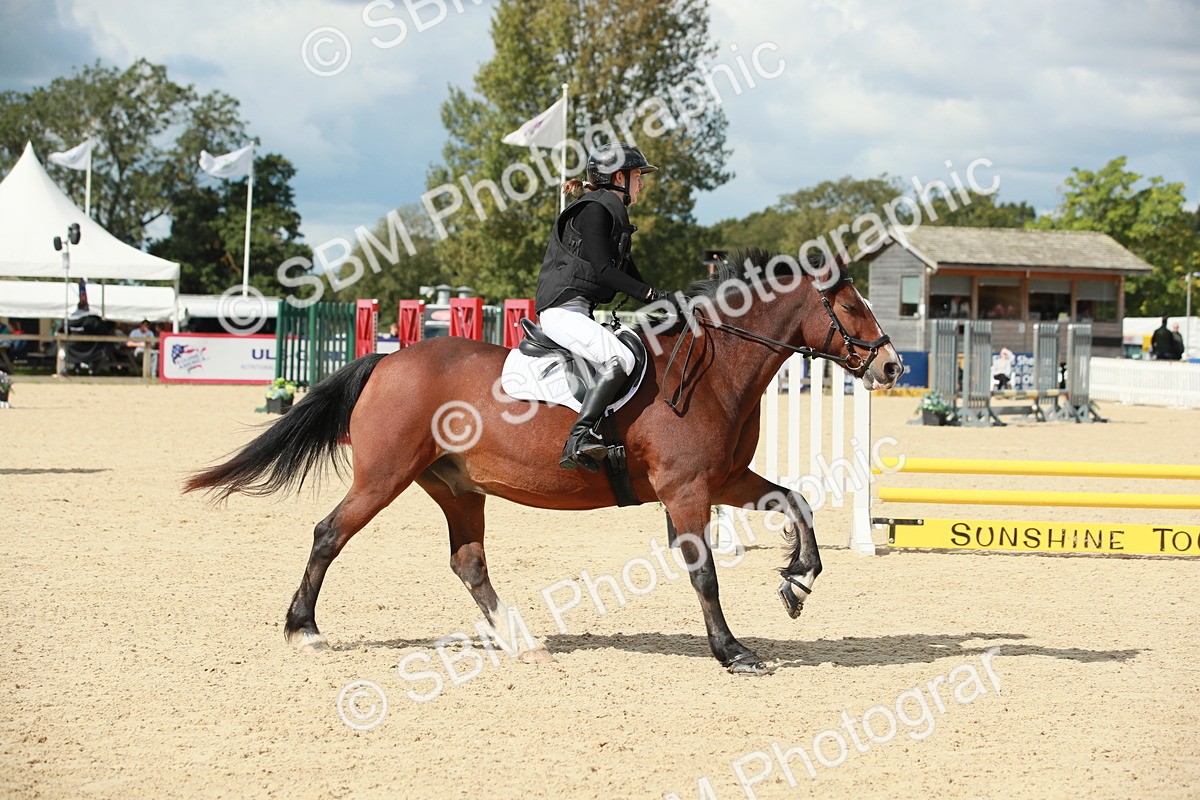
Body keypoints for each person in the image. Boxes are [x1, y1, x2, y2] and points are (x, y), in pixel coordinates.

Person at [535, 142, 681, 472]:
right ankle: (579, 437)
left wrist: (667, 301)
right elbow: (604, 270)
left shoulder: (609, 210)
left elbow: (627, 271)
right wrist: (654, 295)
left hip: (578, 310)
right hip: (561, 310)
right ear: (619, 177)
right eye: (637, 176)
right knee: (621, 357)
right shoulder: (594, 210)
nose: (641, 182)